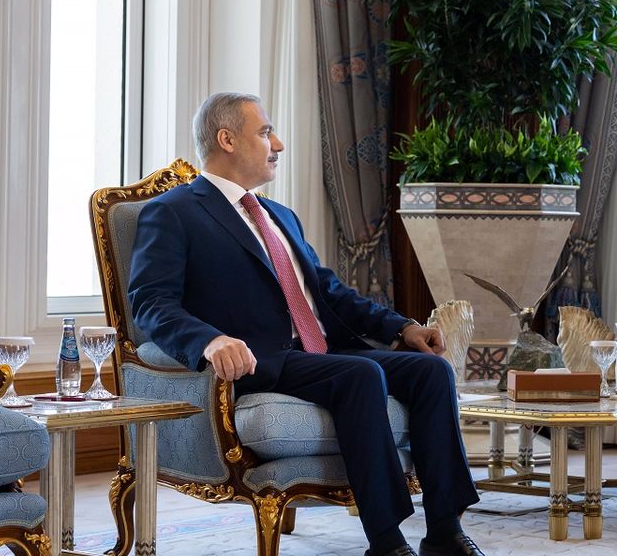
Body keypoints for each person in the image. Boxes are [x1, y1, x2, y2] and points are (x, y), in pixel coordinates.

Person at [129, 92, 483, 556]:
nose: (277, 144)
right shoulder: (175, 211)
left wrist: (401, 328)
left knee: (431, 370)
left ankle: (444, 531)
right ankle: (387, 542)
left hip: (322, 353)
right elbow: (150, 301)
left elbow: (330, 293)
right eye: (265, 132)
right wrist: (210, 340)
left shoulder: (279, 215)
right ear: (227, 140)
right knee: (361, 373)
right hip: (262, 358)